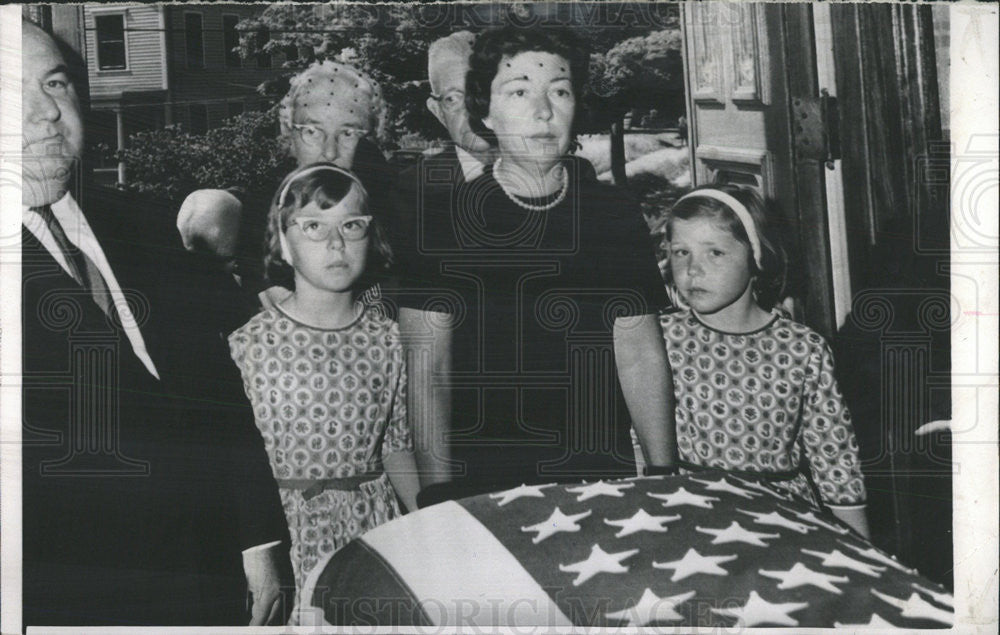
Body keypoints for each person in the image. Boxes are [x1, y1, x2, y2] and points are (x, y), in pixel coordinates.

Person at [19, 20, 292, 627]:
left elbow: (217, 396)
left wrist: (260, 542)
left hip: (211, 578)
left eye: (55, 84)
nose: (45, 113)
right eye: (9, 90)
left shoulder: (144, 225)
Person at [392, 26, 677, 506]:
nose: (543, 111)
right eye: (519, 90)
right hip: (479, 481)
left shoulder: (613, 214)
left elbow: (640, 354)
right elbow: (429, 370)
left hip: (598, 476)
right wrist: (439, 495)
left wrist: (665, 474)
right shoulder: (439, 222)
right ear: (485, 110)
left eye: (559, 91)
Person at [228, 163, 420, 617]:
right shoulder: (245, 346)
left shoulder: (391, 338)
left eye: (352, 225)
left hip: (375, 531)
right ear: (283, 241)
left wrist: (430, 526)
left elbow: (397, 447)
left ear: (372, 237)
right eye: (313, 226)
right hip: (286, 537)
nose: (336, 243)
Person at [658, 184, 870, 538]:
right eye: (681, 252)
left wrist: (867, 558)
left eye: (715, 253)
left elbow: (836, 464)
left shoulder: (804, 349)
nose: (693, 269)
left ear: (757, 256)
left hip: (782, 519)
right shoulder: (661, 337)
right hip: (688, 512)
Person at [181, 60, 394, 309]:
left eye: (347, 133)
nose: (330, 151)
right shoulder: (267, 201)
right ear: (290, 133)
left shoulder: (383, 193)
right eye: (313, 131)